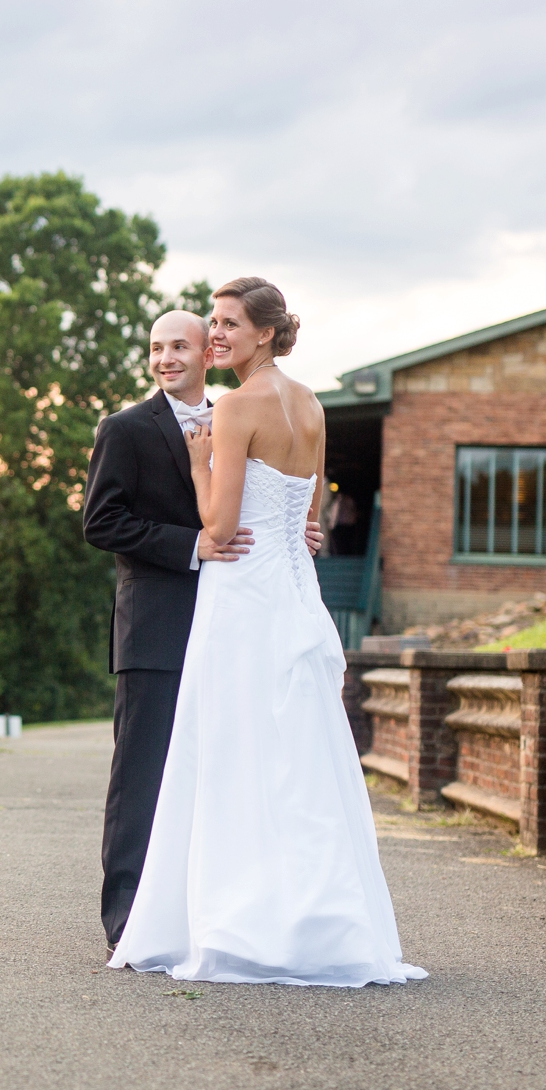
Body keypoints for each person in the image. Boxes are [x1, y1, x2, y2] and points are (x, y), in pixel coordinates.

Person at [109, 277, 425, 987]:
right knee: (298, 759)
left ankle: (236, 919)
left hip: (242, 598)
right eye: (213, 324)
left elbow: (220, 529)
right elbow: (311, 506)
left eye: (226, 325)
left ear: (264, 333)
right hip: (294, 593)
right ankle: (315, 917)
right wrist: (303, 526)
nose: (213, 336)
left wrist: (200, 464)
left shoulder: (239, 408)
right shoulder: (309, 402)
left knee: (232, 753)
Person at [82, 309, 319, 950]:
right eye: (156, 347)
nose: (166, 357)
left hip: (233, 624)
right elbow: (102, 524)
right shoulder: (125, 428)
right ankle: (128, 923)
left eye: (179, 346)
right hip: (155, 629)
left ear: (205, 355)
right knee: (144, 777)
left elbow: (266, 504)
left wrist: (299, 530)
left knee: (212, 773)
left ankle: (195, 914)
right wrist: (194, 546)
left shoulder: (238, 415)